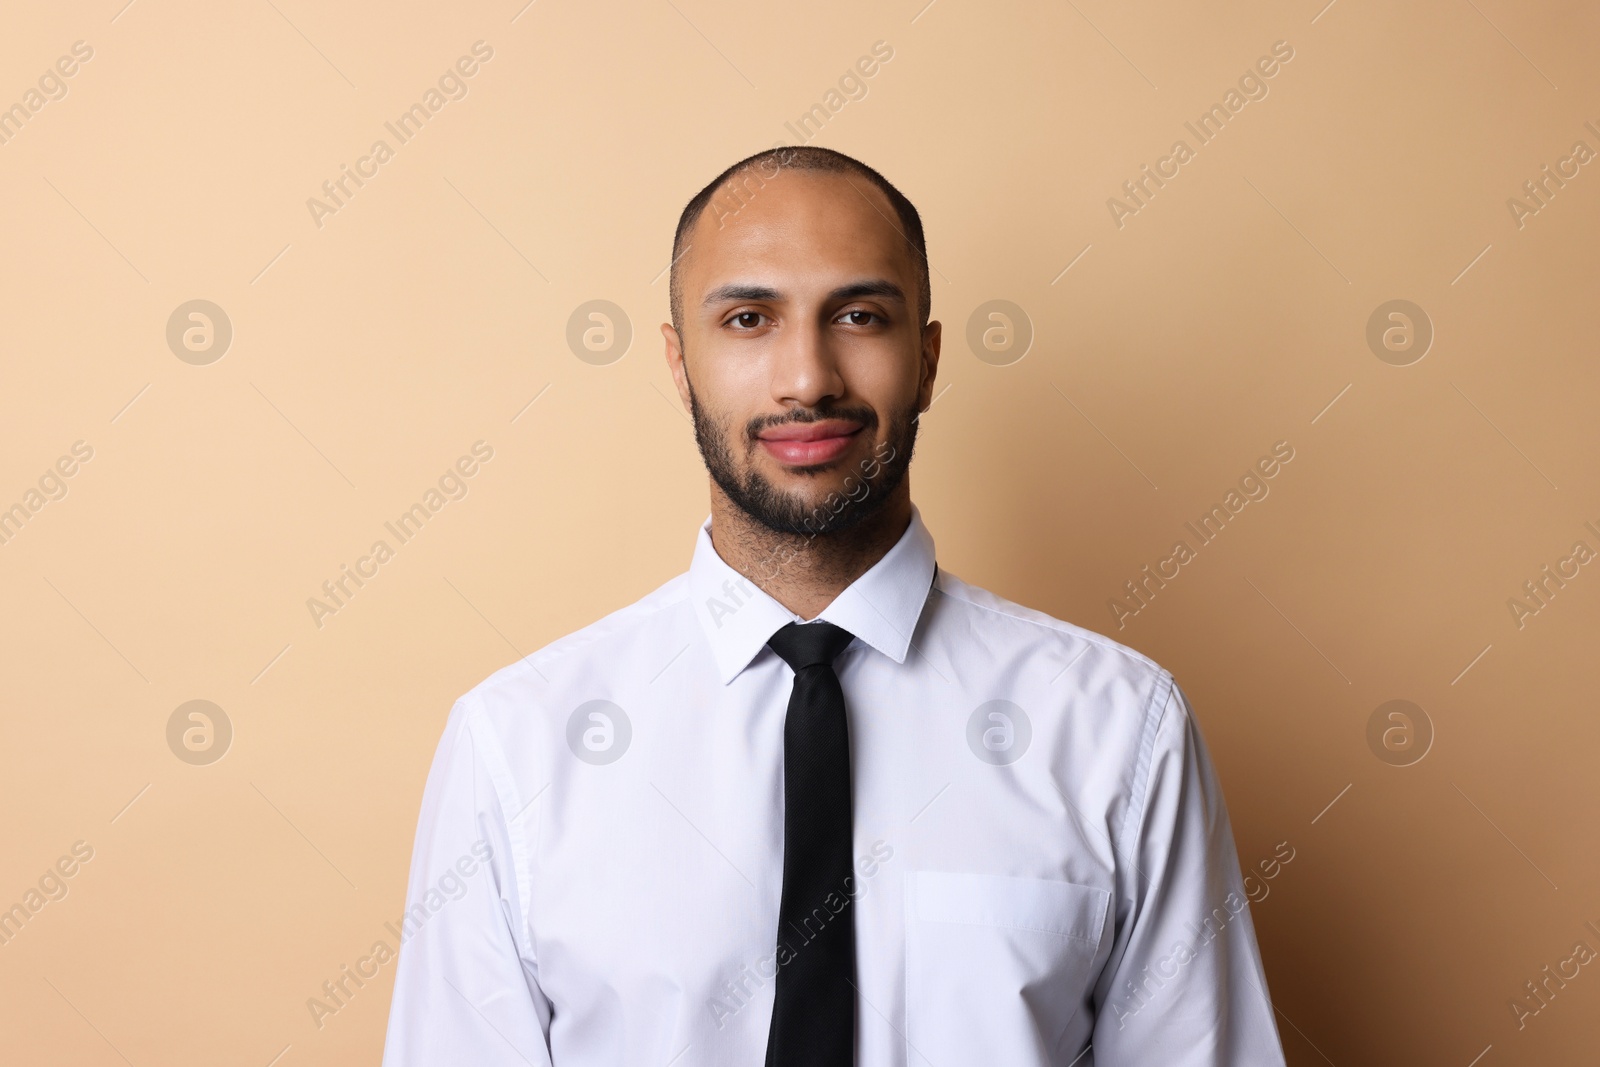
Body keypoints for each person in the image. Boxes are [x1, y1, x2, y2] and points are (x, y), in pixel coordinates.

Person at [381, 145, 1287, 1066]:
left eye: (859, 315)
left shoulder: (1119, 730)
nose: (807, 377)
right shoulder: (519, 744)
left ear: (927, 360)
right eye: (747, 318)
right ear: (679, 364)